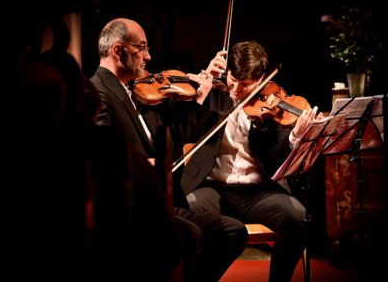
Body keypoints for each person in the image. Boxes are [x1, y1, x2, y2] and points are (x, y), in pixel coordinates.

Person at [90, 17, 248, 282]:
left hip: (161, 200)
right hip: (131, 206)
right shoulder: (98, 92)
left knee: (233, 232)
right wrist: (147, 167)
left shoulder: (135, 91)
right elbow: (103, 156)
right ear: (118, 50)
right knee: (190, 235)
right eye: (141, 48)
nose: (148, 56)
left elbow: (172, 138)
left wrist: (198, 98)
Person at [181, 40, 324, 282]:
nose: (235, 90)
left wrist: (295, 136)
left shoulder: (273, 104)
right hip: (212, 188)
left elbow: (277, 158)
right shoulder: (211, 92)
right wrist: (203, 92)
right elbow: (186, 131)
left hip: (258, 193)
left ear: (260, 80)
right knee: (182, 214)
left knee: (299, 218)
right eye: (232, 80)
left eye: (244, 84)